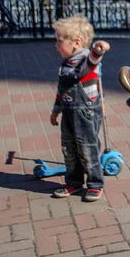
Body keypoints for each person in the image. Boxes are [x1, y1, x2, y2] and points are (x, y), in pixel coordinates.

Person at [50, 16, 110, 202]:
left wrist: (98, 50)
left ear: (76, 43)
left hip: (86, 112)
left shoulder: (85, 60)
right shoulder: (64, 65)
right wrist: (56, 109)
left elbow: (93, 59)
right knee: (69, 147)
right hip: (68, 111)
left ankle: (95, 183)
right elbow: (62, 89)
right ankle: (73, 182)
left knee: (87, 147)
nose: (56, 45)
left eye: (59, 41)